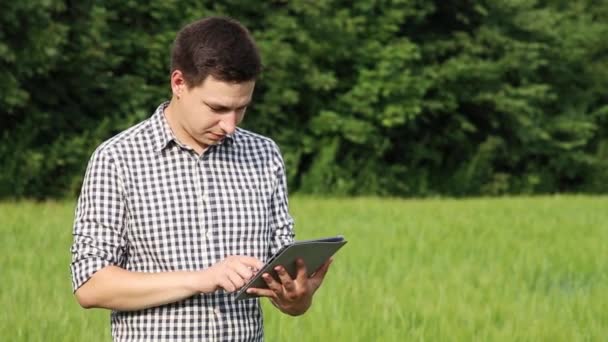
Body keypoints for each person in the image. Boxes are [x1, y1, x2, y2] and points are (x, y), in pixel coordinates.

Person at [70, 16, 332, 341]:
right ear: (179, 83)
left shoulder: (264, 156)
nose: (230, 125)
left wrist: (297, 298)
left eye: (241, 109)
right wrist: (202, 279)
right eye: (217, 108)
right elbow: (91, 285)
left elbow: (283, 286)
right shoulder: (117, 159)